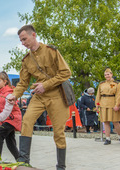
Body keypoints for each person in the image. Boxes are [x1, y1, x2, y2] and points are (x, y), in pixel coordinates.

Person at [8, 25, 71, 169]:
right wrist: (14, 95)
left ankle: (61, 166)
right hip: (39, 96)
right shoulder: (26, 60)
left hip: (56, 95)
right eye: (21, 40)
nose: (23, 43)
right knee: (27, 121)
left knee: (58, 133)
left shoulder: (51, 51)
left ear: (33, 35)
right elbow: (23, 83)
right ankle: (24, 160)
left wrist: (46, 85)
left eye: (24, 39)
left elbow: (66, 73)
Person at [0, 71, 22, 160]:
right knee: (10, 142)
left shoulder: (9, 94)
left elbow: (7, 111)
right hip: (5, 119)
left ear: (5, 81)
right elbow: (0, 110)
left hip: (13, 119)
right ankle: (21, 161)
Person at [95, 68, 120, 145]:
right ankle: (108, 138)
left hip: (112, 104)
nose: (107, 76)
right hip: (103, 104)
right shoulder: (101, 84)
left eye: (108, 74)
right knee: (106, 122)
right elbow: (98, 95)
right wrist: (97, 105)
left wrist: (117, 105)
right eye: (105, 75)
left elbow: (118, 95)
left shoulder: (116, 84)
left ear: (111, 74)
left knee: (115, 122)